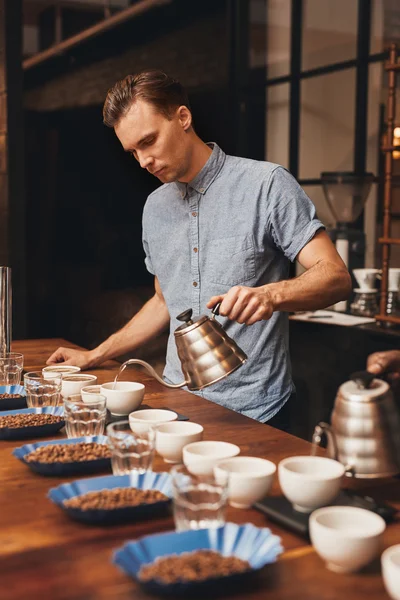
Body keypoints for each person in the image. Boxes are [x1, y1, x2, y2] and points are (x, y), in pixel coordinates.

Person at [47, 70, 351, 432]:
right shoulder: (154, 208)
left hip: (257, 410)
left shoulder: (266, 185)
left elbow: (336, 276)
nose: (144, 161)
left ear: (183, 118)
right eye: (133, 152)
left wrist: (271, 295)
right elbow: (164, 302)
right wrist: (94, 354)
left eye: (149, 141)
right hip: (179, 405)